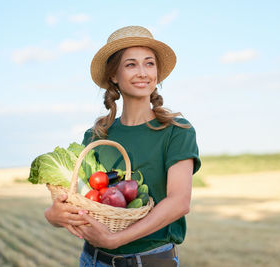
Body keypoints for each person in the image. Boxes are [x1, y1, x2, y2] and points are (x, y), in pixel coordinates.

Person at [44, 25, 201, 267]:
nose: (143, 72)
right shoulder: (96, 136)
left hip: (150, 261)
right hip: (92, 260)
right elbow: (80, 198)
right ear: (114, 76)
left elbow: (179, 202)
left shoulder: (176, 131)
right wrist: (53, 216)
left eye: (149, 63)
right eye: (131, 64)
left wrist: (115, 239)